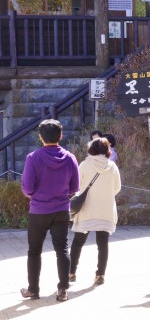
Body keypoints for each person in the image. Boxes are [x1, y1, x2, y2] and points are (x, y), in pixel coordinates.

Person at [20, 119, 79, 302]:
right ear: (60, 136)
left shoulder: (33, 157)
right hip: (61, 210)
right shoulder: (70, 157)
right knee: (62, 249)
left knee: (34, 251)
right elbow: (75, 187)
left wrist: (35, 196)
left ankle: (33, 290)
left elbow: (27, 188)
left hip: (38, 211)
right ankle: (62, 290)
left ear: (40, 137)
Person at [69, 137, 121, 286]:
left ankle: (71, 272)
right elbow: (117, 188)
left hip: (87, 209)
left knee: (78, 242)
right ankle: (100, 275)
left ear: (91, 149)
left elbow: (77, 186)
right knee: (103, 244)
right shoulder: (112, 166)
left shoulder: (85, 165)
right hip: (106, 210)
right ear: (106, 150)